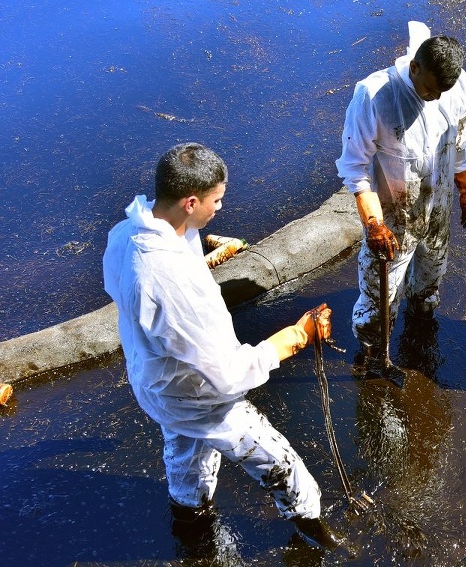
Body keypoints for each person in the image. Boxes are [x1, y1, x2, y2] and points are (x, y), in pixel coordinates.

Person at [102, 142, 344, 550]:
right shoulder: (169, 280)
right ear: (190, 201)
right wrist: (295, 336)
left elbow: (119, 289)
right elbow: (227, 372)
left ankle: (190, 522)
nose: (219, 208)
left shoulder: (128, 233)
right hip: (197, 395)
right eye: (216, 200)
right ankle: (313, 530)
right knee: (279, 463)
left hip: (153, 378)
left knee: (184, 449)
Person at [336, 21, 466, 371]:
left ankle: (422, 317)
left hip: (436, 204)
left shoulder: (456, 88)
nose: (437, 98)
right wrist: (374, 224)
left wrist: (465, 193)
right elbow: (356, 168)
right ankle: (373, 352)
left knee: (431, 271)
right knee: (381, 292)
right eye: (430, 90)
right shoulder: (375, 96)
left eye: (444, 91)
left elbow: (458, 144)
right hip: (394, 215)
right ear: (415, 67)